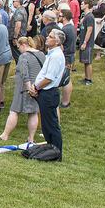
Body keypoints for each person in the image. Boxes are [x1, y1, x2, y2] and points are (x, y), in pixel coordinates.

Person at [0, 37, 44, 143]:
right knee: (33, 113)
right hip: (37, 88)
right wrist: (35, 89)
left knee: (14, 111)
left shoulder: (24, 56)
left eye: (18, 47)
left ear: (23, 45)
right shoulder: (41, 55)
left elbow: (24, 74)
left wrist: (29, 89)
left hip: (24, 89)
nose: (18, 50)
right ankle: (31, 138)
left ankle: (5, 135)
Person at [29, 29, 67, 157]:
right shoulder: (52, 54)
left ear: (56, 41)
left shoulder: (56, 56)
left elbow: (49, 78)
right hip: (45, 91)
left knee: (51, 123)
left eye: (50, 36)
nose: (47, 37)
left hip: (48, 92)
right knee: (46, 123)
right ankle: (50, 147)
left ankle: (56, 150)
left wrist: (36, 87)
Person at [59, 9, 77, 108]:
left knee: (66, 79)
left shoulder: (65, 30)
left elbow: (61, 45)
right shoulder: (72, 27)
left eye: (60, 15)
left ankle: (65, 102)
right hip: (71, 55)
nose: (59, 17)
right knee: (67, 78)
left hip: (66, 56)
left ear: (65, 17)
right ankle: (66, 101)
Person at [78, 0, 96, 85]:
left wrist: (85, 42)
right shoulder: (85, 16)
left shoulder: (90, 17)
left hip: (88, 43)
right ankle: (86, 78)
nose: (81, 5)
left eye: (82, 4)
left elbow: (89, 30)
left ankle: (89, 80)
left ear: (87, 5)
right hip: (83, 40)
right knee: (85, 61)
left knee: (88, 62)